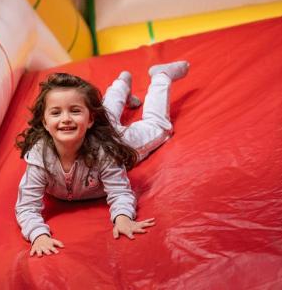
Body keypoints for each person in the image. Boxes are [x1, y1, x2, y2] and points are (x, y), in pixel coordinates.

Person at [15, 61, 189, 257]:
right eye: (56, 112)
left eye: (74, 111)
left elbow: (120, 191)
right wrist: (38, 235)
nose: (65, 119)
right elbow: (27, 207)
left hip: (113, 139)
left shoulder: (104, 151)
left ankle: (161, 76)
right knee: (105, 114)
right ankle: (121, 84)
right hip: (92, 130)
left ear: (90, 120)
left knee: (159, 128)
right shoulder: (41, 158)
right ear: (45, 123)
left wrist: (122, 218)